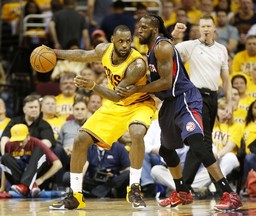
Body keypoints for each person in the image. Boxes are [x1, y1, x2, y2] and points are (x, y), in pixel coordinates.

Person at [116, 14, 242, 211]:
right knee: (166, 150)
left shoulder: (161, 46)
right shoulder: (151, 50)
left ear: (154, 30)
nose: (138, 30)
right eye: (138, 27)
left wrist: (137, 89)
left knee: (198, 145)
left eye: (143, 27)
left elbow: (166, 82)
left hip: (185, 98)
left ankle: (229, 194)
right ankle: (182, 191)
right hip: (169, 102)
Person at [48, 25, 155, 210]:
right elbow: (82, 55)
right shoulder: (103, 50)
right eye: (120, 41)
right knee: (80, 139)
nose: (124, 45)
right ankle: (75, 195)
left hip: (139, 104)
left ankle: (135, 189)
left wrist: (93, 86)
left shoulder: (137, 64)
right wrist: (54, 52)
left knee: (137, 133)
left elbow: (116, 95)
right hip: (115, 106)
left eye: (128, 41)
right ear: (112, 39)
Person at [171, 15, 241, 210]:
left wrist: (228, 102)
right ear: (199, 28)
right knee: (202, 142)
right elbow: (168, 51)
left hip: (212, 98)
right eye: (202, 26)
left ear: (214, 27)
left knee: (200, 144)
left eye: (208, 26)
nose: (205, 29)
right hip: (196, 96)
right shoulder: (191, 45)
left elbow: (225, 79)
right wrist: (175, 36)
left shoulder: (221, 50)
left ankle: (184, 190)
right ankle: (225, 192)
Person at [0, 124, 62, 197]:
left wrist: (42, 179)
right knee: (4, 157)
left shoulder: (36, 143)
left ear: (28, 136)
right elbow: (5, 167)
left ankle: (26, 185)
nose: (19, 144)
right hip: (18, 182)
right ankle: (27, 186)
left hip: (37, 180)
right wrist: (2, 187)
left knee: (38, 151)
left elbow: (58, 164)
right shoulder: (9, 145)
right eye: (17, 141)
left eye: (22, 141)